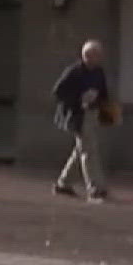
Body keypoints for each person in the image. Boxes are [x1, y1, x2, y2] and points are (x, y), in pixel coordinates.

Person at [52, 38, 112, 202]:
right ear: (85, 56)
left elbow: (104, 94)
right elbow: (58, 92)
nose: (97, 59)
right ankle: (95, 189)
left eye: (99, 55)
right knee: (89, 151)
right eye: (93, 55)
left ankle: (63, 183)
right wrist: (79, 99)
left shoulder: (99, 72)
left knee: (81, 150)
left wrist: (105, 112)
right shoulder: (74, 71)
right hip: (78, 115)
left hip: (92, 115)